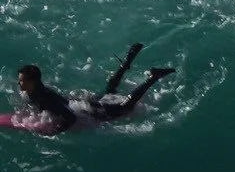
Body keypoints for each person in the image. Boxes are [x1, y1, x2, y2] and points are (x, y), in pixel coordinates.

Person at [14, 45, 174, 131]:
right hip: (81, 104)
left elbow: (71, 118)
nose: (19, 83)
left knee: (125, 106)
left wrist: (54, 131)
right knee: (109, 91)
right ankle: (127, 60)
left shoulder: (45, 99)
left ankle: (153, 77)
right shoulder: (37, 91)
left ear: (32, 82)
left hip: (86, 112)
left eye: (21, 81)